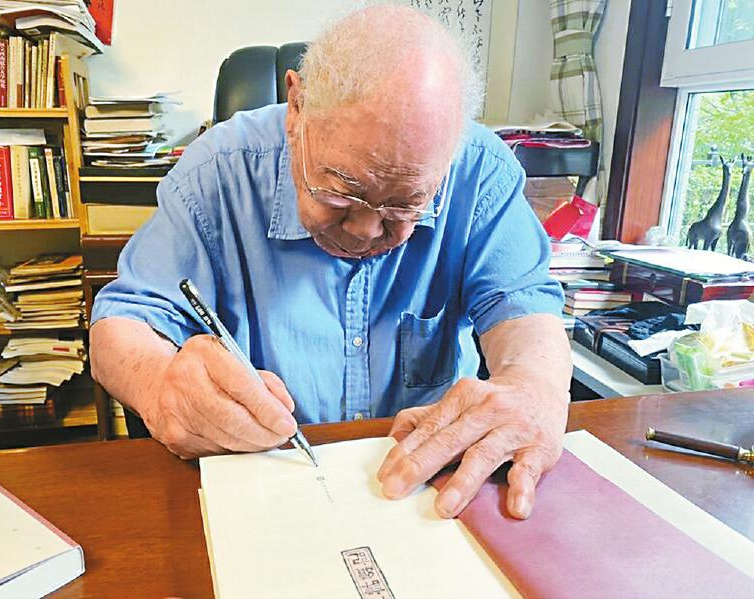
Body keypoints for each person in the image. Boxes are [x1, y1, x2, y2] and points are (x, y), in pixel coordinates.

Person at [89, 4, 572, 521]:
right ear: (297, 108)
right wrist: (161, 386)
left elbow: (524, 310)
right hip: (262, 492)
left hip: (424, 497)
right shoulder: (218, 172)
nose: (366, 230)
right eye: (342, 191)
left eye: (404, 205)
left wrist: (533, 389)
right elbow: (122, 326)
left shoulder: (480, 170)